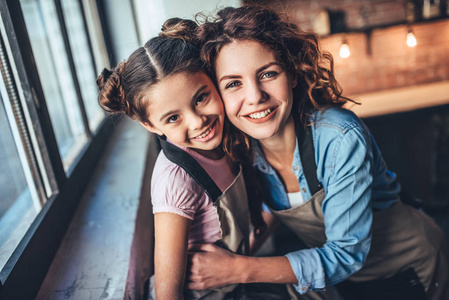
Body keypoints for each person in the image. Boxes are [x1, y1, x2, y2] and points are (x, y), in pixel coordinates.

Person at [186, 5, 449, 300]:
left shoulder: (338, 138)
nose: (255, 96)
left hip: (412, 268)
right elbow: (273, 208)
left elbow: (346, 254)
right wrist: (222, 260)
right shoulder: (243, 147)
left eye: (268, 74)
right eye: (233, 83)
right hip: (346, 283)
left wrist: (238, 269)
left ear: (293, 75)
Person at [96, 18, 264, 300]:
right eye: (173, 118)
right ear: (151, 126)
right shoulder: (175, 181)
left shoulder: (231, 140)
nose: (198, 121)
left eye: (201, 98)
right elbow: (167, 294)